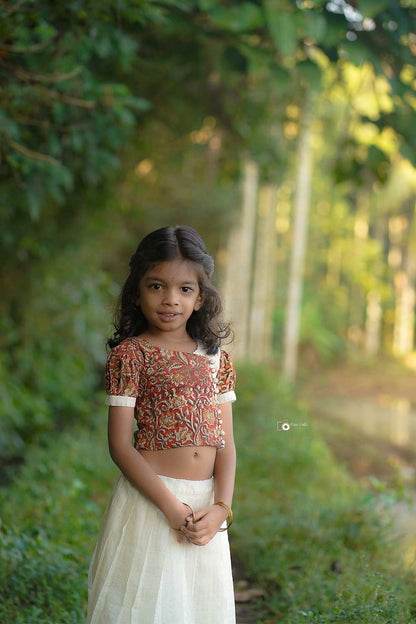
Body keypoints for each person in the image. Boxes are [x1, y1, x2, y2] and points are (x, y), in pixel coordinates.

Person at [85, 225, 237, 624]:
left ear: (201, 298)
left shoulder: (215, 358)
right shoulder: (132, 355)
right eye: (156, 286)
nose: (171, 299)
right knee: (147, 608)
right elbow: (120, 445)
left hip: (205, 509)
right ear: (137, 291)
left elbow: (226, 444)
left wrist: (222, 507)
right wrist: (170, 507)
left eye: (185, 289)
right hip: (151, 504)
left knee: (197, 608)